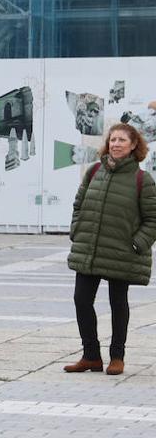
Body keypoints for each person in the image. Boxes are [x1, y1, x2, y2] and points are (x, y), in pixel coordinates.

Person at [64, 122, 156, 376]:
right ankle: (91, 355)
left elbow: (153, 219)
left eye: (122, 141)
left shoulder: (142, 180)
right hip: (90, 248)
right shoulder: (94, 171)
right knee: (81, 300)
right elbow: (79, 204)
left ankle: (117, 356)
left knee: (118, 302)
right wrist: (76, 230)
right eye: (113, 140)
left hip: (121, 252)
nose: (116, 144)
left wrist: (137, 243)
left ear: (134, 145)